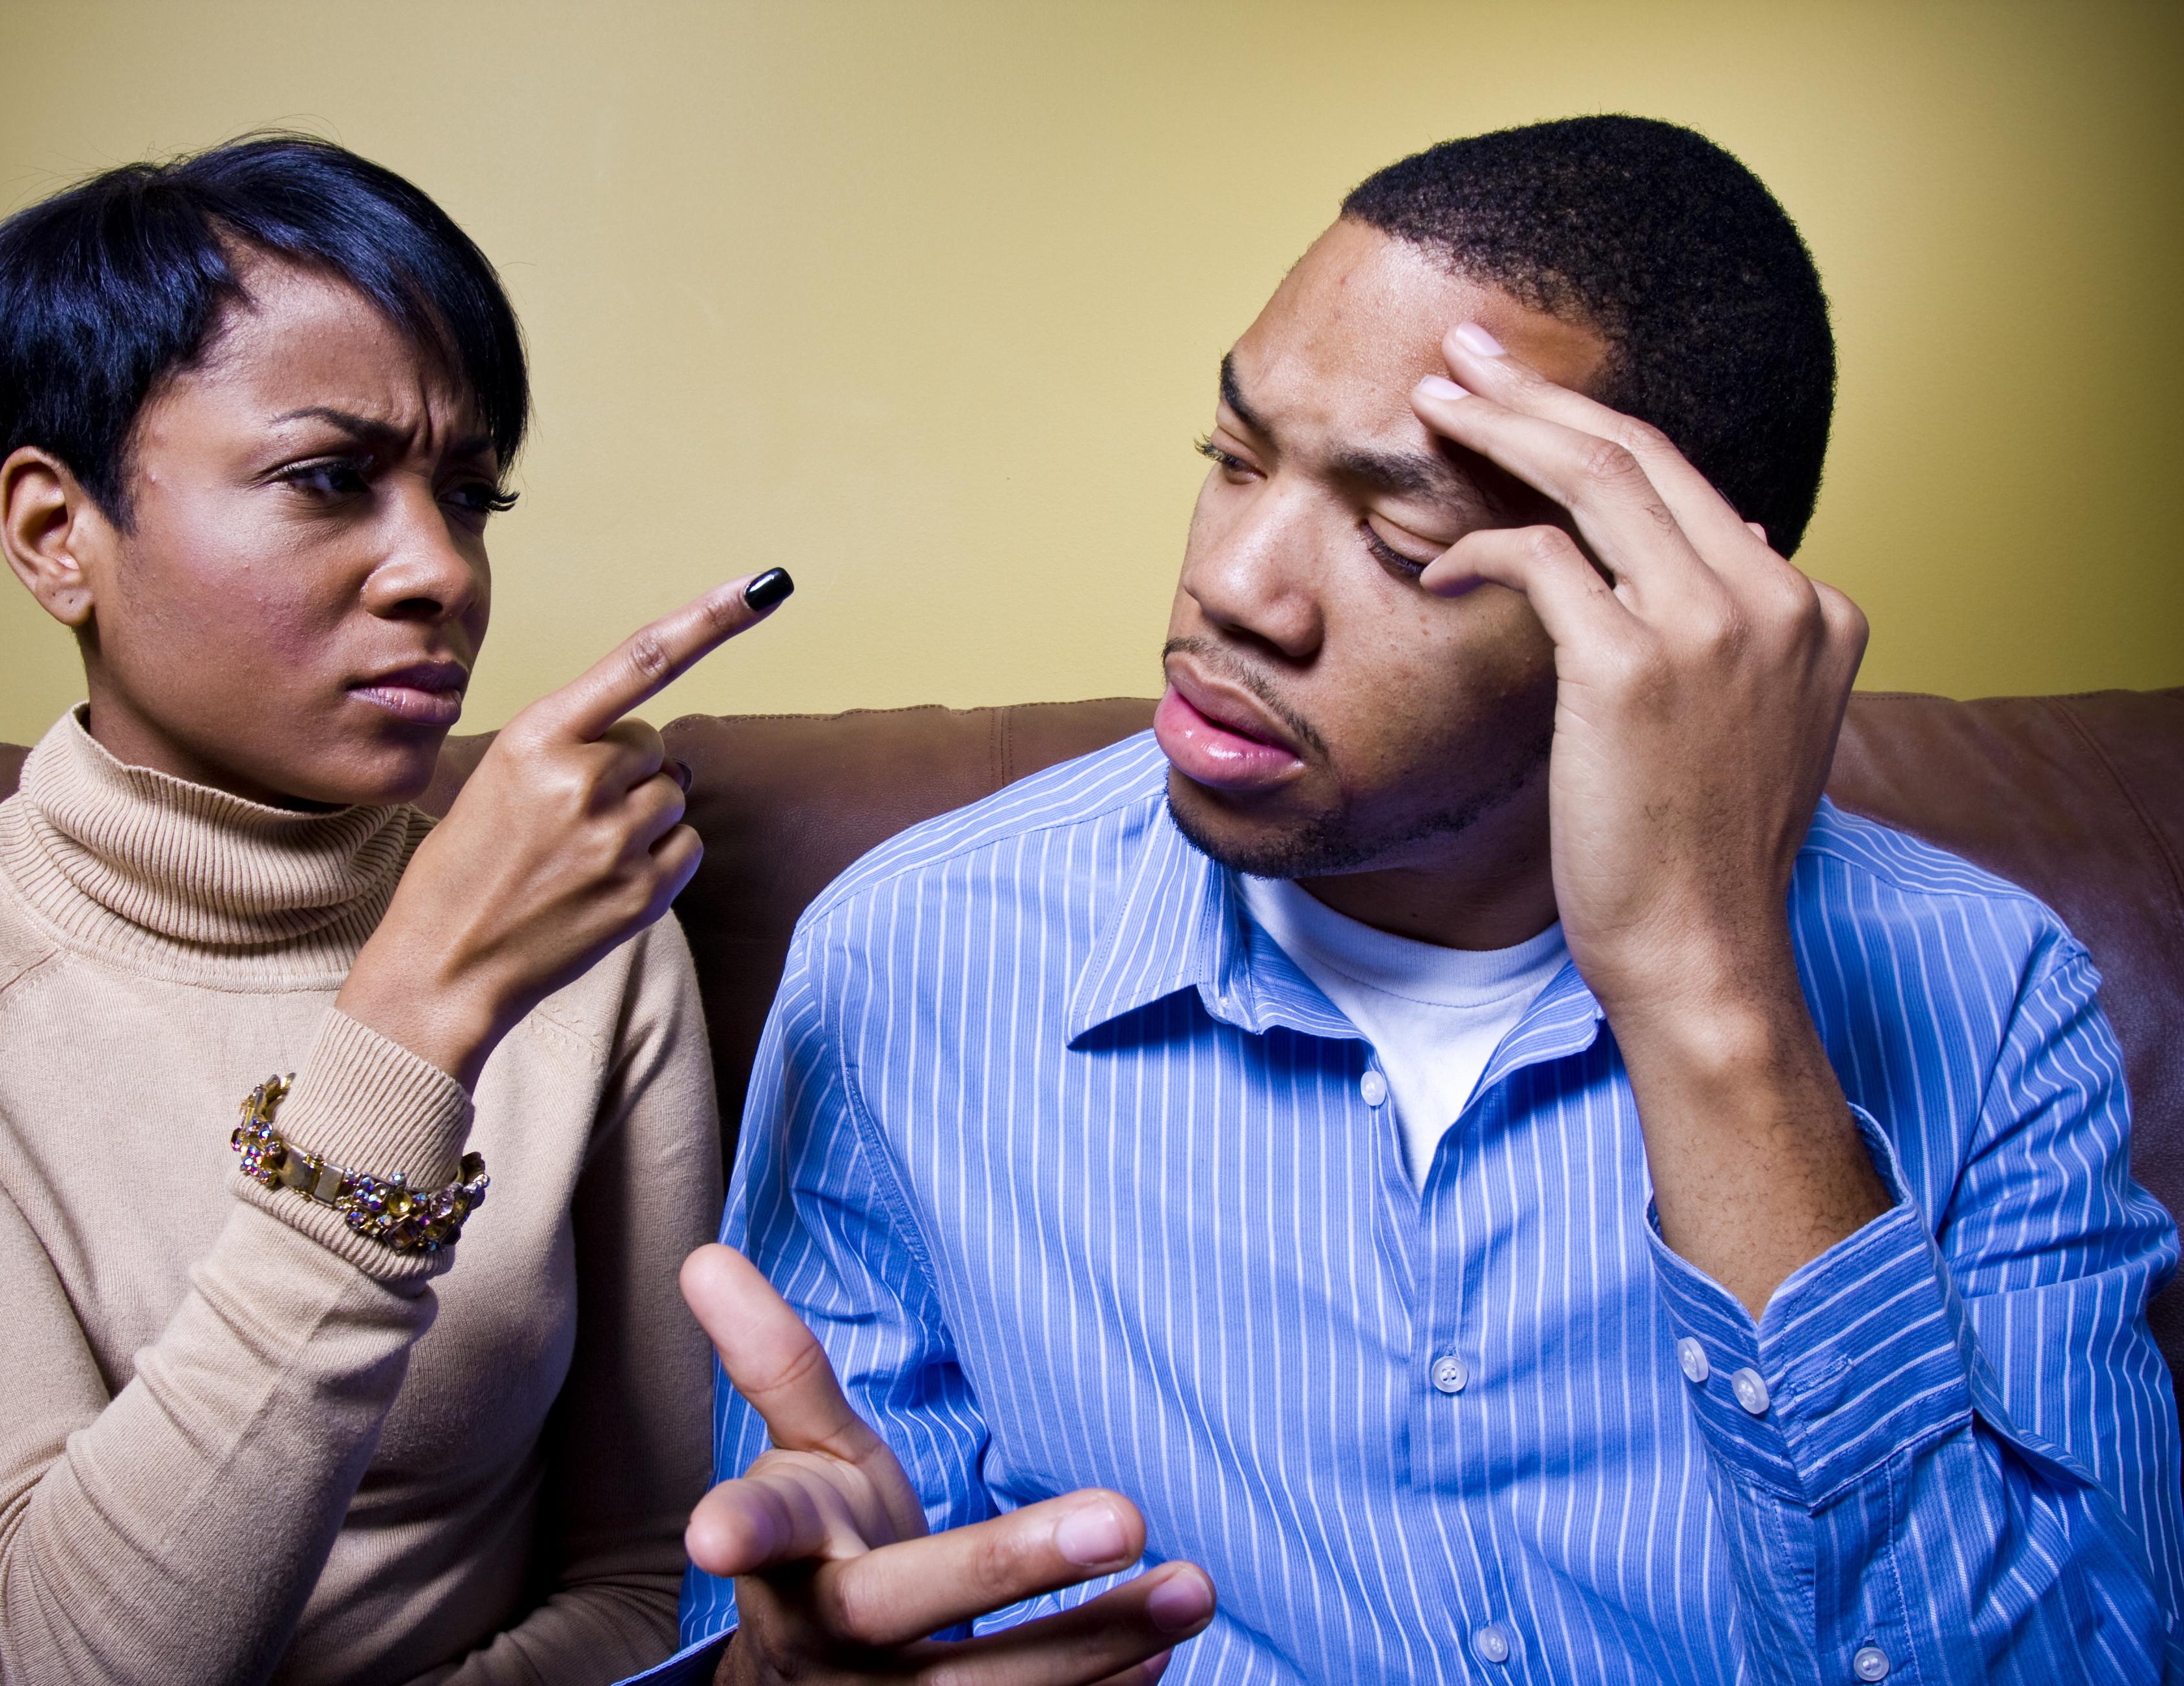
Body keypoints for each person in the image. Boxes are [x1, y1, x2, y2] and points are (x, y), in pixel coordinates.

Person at [651, 116, 2184, 1683]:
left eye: (1397, 535)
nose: (1237, 585)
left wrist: (1710, 1002)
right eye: (1232, 460)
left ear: (1681, 602)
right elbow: (814, 1601)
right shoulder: (910, 958)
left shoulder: (1986, 994)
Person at [0, 135, 790, 1683]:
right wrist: (414, 1017)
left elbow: (639, 1573)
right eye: (328, 479)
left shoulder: (595, 937)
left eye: (469, 495)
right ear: (55, 533)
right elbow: (59, 1660)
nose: (440, 573)